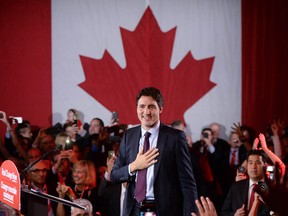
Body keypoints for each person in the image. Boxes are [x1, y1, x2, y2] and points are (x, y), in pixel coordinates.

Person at [110, 87, 198, 216]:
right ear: (136, 109)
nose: (146, 112)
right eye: (142, 106)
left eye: (151, 106)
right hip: (133, 209)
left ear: (160, 109)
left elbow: (187, 184)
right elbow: (114, 175)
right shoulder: (129, 136)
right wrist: (134, 166)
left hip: (163, 210)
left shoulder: (175, 137)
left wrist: (191, 214)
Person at [221, 150, 272, 215]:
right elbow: (223, 213)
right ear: (247, 166)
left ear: (264, 165)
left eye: (258, 163)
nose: (253, 167)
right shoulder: (236, 186)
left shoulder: (271, 189)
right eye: (250, 163)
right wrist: (235, 214)